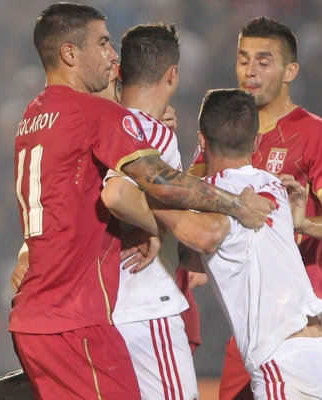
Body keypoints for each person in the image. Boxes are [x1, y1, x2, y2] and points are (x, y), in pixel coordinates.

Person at [11, 4, 274, 399]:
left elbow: (65, 198)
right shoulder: (97, 114)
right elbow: (162, 183)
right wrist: (236, 205)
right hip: (76, 316)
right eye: (102, 43)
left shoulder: (33, 117)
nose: (112, 56)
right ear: (69, 53)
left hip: (35, 312)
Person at [188, 17, 322, 399]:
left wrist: (301, 222)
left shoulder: (316, 134)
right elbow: (187, 199)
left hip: (304, 318)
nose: (250, 71)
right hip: (253, 322)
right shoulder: (224, 136)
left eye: (264, 61)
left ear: (290, 71)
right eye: (243, 59)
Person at [154, 88, 322, 399]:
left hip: (284, 367)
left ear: (201, 141)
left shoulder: (207, 197)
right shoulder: (275, 185)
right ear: (256, 142)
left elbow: (202, 235)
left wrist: (150, 197)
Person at [101, 23, 199, 399]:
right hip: (143, 303)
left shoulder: (98, 128)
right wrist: (155, 227)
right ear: (172, 74)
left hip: (102, 309)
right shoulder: (152, 133)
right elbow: (117, 196)